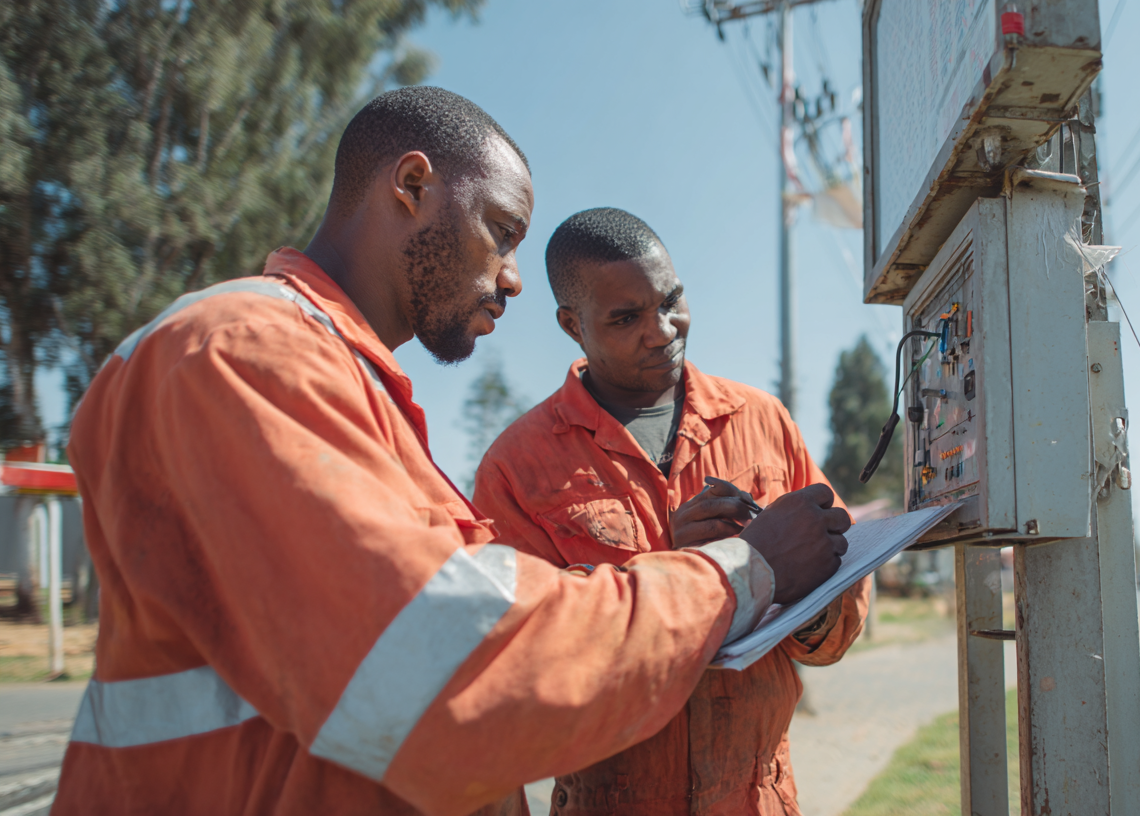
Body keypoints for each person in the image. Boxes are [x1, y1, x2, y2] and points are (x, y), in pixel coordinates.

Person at [53, 87, 850, 816]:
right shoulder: (242, 354)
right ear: (411, 186)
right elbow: (458, 676)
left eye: (671, 303)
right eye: (501, 233)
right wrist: (741, 571)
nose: (512, 281)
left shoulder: (355, 390)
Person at [472, 207, 871, 816]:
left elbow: (841, 616)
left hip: (758, 799)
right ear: (571, 325)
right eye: (626, 318)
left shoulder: (761, 421)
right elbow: (523, 671)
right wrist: (677, 569)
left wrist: (800, 593)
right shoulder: (519, 468)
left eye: (672, 300)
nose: (662, 330)